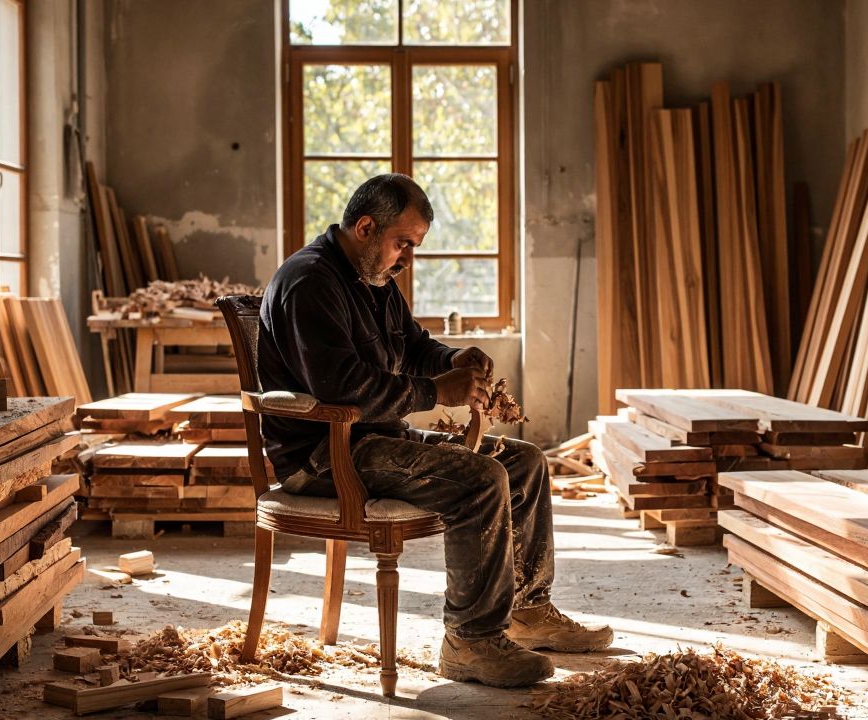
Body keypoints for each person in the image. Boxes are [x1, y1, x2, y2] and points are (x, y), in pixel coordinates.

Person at [258, 173, 613, 688]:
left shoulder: (375, 277)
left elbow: (414, 345)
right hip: (323, 455)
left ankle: (528, 610)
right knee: (479, 478)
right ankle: (469, 642)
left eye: (414, 246)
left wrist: (452, 359)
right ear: (364, 227)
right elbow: (343, 387)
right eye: (403, 243)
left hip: (376, 441)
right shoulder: (310, 283)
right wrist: (436, 392)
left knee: (524, 463)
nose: (407, 257)